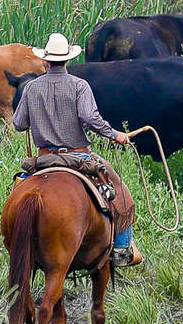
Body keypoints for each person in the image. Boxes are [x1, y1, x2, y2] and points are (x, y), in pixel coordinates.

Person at [11, 33, 142, 268]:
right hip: (79, 155)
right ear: (67, 60)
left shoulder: (31, 88)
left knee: (18, 189)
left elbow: (19, 124)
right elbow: (90, 118)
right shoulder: (79, 85)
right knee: (120, 192)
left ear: (46, 61)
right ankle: (122, 250)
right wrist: (116, 135)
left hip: (44, 159)